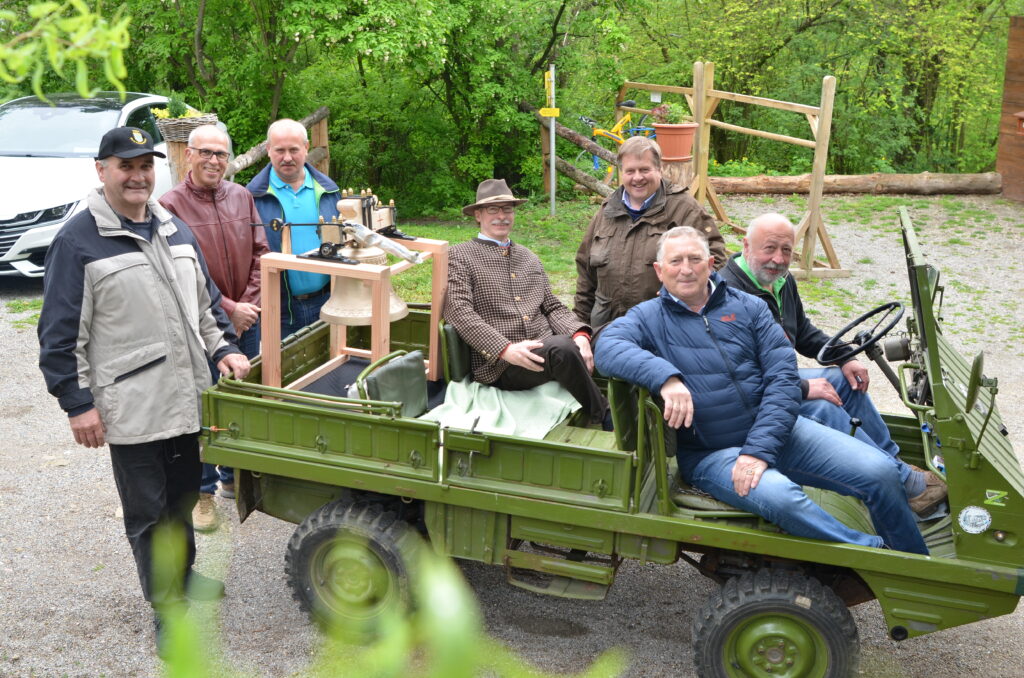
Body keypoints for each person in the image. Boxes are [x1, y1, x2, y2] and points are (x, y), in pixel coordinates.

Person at [37, 126, 252, 650]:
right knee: (149, 514)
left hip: (185, 400)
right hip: (131, 408)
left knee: (182, 502)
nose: (137, 176)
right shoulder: (77, 241)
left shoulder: (173, 227)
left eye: (145, 166)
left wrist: (223, 348)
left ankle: (183, 578)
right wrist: (78, 402)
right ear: (101, 170)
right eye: (125, 166)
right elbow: (60, 334)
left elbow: (204, 303)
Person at [594, 226, 928, 554]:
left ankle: (916, 561)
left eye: (694, 259)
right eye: (675, 261)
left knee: (881, 471)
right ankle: (878, 556)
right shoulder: (647, 317)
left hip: (780, 433)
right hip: (713, 455)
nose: (685, 269)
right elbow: (607, 347)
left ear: (711, 263)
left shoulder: (749, 308)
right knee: (784, 497)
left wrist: (758, 451)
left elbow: (783, 379)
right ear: (659, 270)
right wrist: (666, 377)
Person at [718, 212, 946, 516]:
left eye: (786, 250)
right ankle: (901, 481)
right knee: (822, 405)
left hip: (778, 380)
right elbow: (738, 374)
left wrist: (845, 356)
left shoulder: (781, 282)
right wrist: (803, 387)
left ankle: (895, 465)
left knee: (846, 382)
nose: (778, 258)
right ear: (746, 246)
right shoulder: (728, 296)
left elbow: (803, 332)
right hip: (745, 400)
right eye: (769, 249)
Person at [160, 124, 270, 532]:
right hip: (202, 323)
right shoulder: (170, 205)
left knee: (243, 396)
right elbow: (176, 272)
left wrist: (249, 305)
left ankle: (232, 475)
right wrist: (227, 308)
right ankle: (202, 492)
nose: (213, 160)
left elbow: (261, 253)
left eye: (221, 154)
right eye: (205, 152)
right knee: (205, 405)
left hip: (248, 316)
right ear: (188, 155)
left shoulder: (241, 197)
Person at [444, 179, 609, 427]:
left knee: (613, 332)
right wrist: (504, 349)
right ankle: (604, 415)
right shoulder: (459, 256)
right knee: (562, 349)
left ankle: (639, 398)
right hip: (503, 365)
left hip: (547, 345)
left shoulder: (528, 257)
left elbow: (552, 307)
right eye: (493, 210)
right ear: (478, 215)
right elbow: (459, 311)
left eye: (507, 209)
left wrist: (580, 334)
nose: (502, 216)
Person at [574, 136, 728, 327]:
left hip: (667, 328)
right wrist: (580, 327)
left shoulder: (684, 209)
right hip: (608, 327)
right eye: (630, 171)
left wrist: (683, 295)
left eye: (644, 169)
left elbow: (716, 260)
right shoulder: (607, 211)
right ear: (622, 173)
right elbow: (585, 275)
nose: (637, 177)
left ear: (659, 169)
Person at [247, 118, 341, 338]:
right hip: (279, 309)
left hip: (328, 300)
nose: (287, 157)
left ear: (306, 148)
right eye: (280, 150)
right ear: (269, 150)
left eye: (294, 150)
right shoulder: (252, 197)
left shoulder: (329, 191)